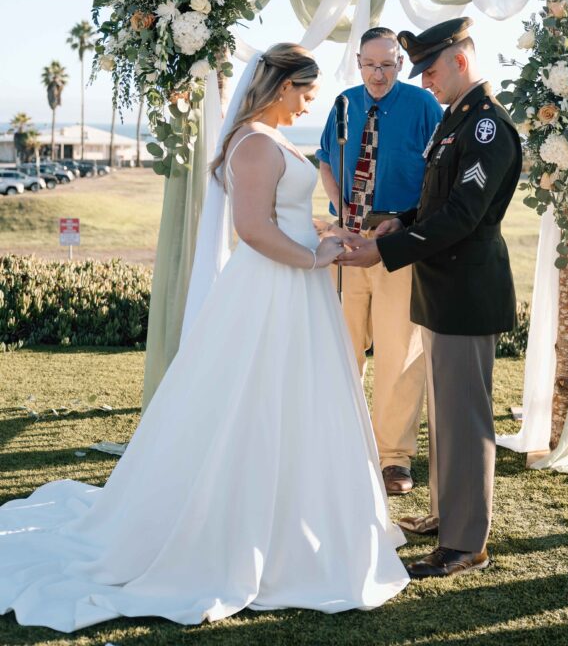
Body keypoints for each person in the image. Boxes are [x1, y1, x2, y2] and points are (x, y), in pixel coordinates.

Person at [0, 44, 408, 632]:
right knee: (254, 398)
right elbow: (251, 230)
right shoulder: (254, 143)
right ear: (280, 86)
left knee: (297, 400)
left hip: (294, 285)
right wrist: (316, 257)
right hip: (274, 288)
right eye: (304, 94)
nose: (306, 106)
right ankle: (242, 528)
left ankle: (299, 518)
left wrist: (322, 230)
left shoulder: (269, 139)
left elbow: (280, 216)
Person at [340, 19, 522, 579]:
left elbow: (465, 216)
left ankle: (466, 542)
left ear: (461, 62)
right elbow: (437, 205)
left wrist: (388, 252)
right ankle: (448, 516)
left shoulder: (487, 127)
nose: (427, 82)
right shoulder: (454, 122)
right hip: (442, 288)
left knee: (465, 420)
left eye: (433, 71)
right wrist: (401, 221)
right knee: (445, 418)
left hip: (467, 290)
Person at [317, 27, 443, 496]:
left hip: (398, 243)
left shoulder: (424, 107)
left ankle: (394, 459)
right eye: (371, 64)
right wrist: (340, 211)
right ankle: (342, 444)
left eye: (388, 64)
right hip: (348, 243)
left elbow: (439, 171)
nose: (379, 73)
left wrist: (410, 225)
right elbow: (326, 161)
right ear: (358, 63)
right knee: (343, 349)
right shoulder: (344, 103)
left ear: (399, 64)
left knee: (398, 353)